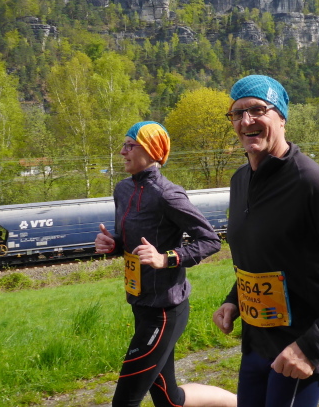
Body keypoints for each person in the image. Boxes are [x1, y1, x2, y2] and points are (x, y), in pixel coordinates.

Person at [212, 75, 319, 407]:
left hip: (298, 347)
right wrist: (234, 299)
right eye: (237, 113)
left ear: (281, 118)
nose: (246, 121)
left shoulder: (311, 182)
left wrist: (312, 347)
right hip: (256, 341)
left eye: (257, 110)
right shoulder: (240, 181)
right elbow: (263, 254)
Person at [95, 121, 237, 407]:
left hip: (164, 311)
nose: (122, 152)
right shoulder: (122, 190)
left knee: (124, 402)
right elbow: (129, 241)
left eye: (130, 145)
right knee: (170, 401)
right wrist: (112, 244)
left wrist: (166, 258)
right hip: (139, 302)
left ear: (151, 150)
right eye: (123, 145)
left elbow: (210, 240)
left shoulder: (167, 194)